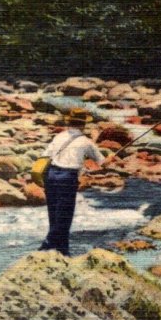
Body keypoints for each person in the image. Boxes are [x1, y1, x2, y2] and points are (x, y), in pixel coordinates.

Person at [38, 107, 110, 255]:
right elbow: (103, 163)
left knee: (54, 213)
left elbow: (45, 155)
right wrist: (111, 158)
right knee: (65, 216)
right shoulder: (86, 142)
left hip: (51, 174)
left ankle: (63, 250)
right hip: (67, 177)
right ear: (83, 124)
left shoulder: (59, 136)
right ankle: (47, 244)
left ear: (69, 123)